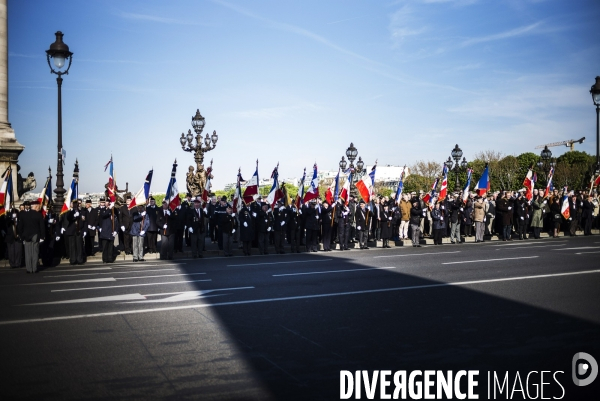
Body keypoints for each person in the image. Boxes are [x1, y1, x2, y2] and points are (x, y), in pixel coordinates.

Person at [18, 200, 45, 273]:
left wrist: (21, 236)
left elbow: (20, 227)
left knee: (28, 253)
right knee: (35, 252)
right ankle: (34, 268)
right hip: (35, 235)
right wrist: (42, 237)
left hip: (26, 235)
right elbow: (42, 227)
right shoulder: (38, 215)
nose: (39, 207)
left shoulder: (23, 215)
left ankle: (29, 269)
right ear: (35, 206)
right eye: (38, 206)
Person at [97, 198, 119, 263]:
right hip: (105, 232)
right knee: (105, 247)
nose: (108, 203)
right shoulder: (102, 210)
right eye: (106, 202)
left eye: (109, 202)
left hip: (111, 232)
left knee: (110, 247)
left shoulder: (114, 211)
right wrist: (109, 209)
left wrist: (116, 231)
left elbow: (117, 222)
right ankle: (105, 259)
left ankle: (110, 258)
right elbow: (104, 215)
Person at [65, 199, 85, 265]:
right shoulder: (69, 211)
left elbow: (84, 220)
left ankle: (80, 259)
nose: (75, 205)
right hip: (71, 231)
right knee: (72, 246)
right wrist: (74, 216)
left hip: (79, 230)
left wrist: (84, 230)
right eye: (74, 204)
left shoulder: (81, 211)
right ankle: (73, 259)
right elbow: (68, 218)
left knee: (79, 246)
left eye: (77, 204)